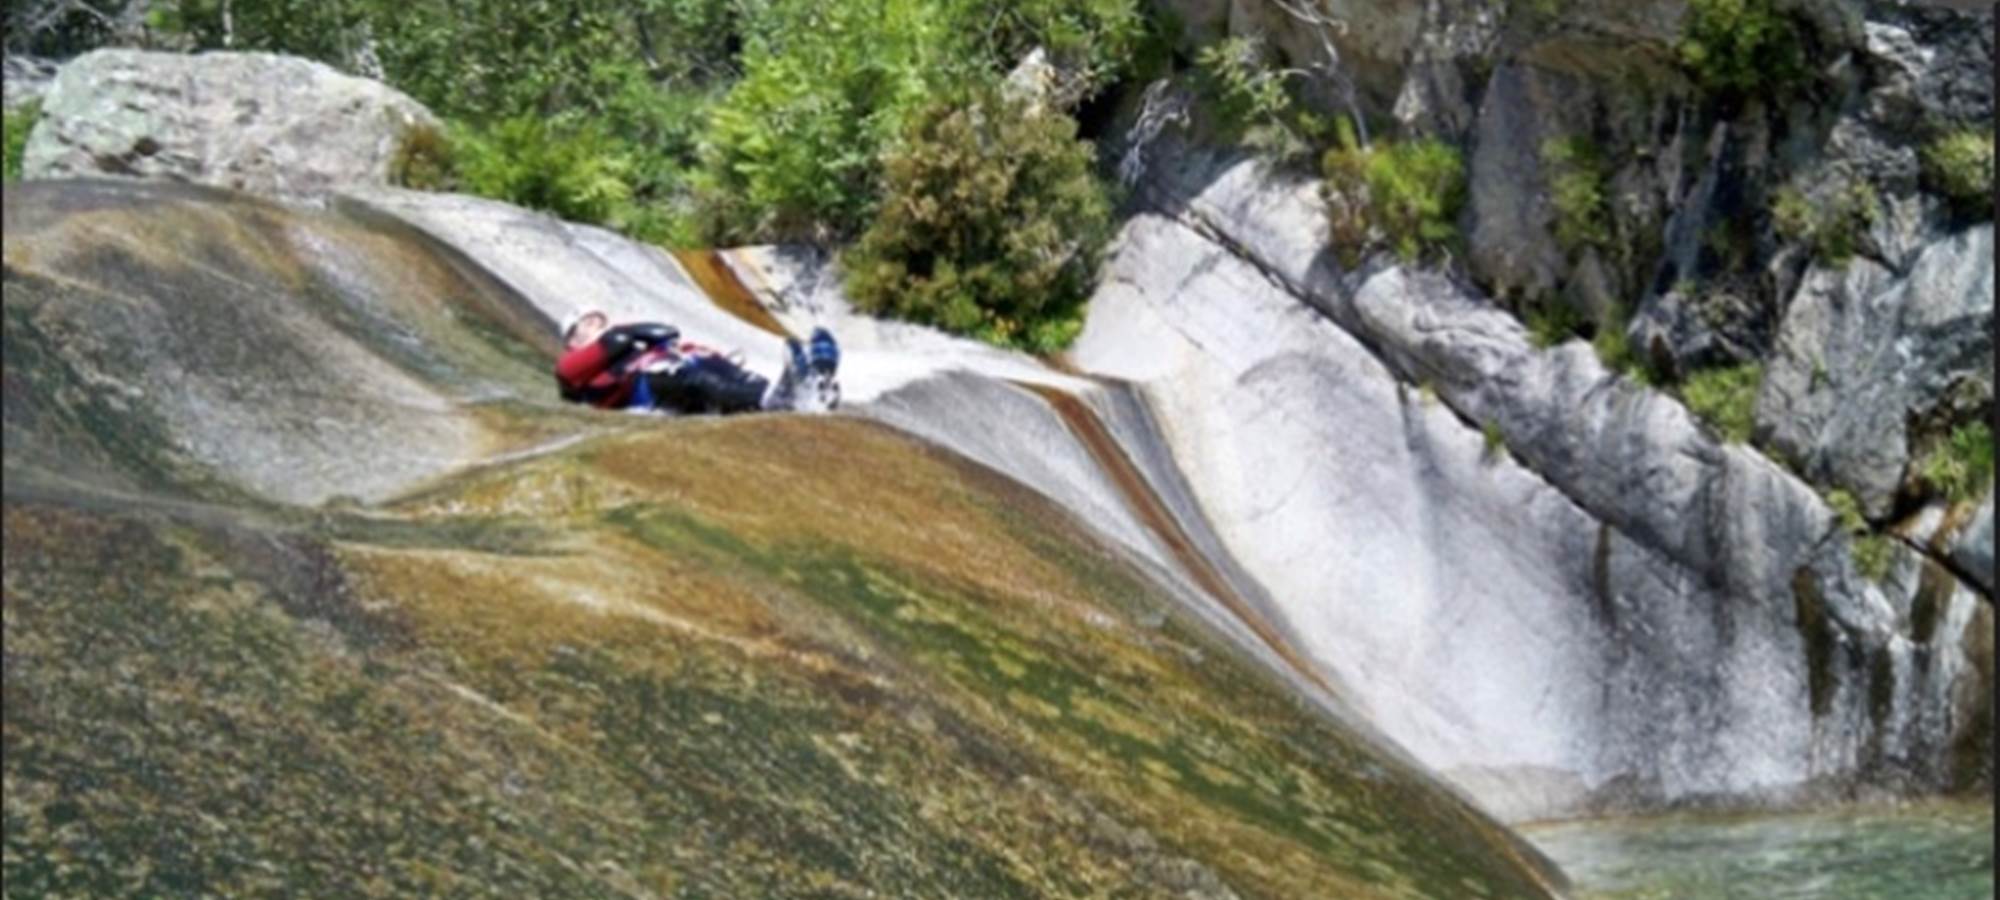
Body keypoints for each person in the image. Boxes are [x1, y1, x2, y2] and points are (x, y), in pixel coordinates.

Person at [554, 308, 839, 415]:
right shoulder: (570, 366)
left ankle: (812, 386)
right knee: (692, 379)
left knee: (713, 367)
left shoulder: (634, 342)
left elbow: (670, 337)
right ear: (572, 342)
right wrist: (628, 333)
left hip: (678, 369)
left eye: (596, 320)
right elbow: (613, 342)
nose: (595, 324)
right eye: (585, 324)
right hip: (648, 389)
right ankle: (773, 401)